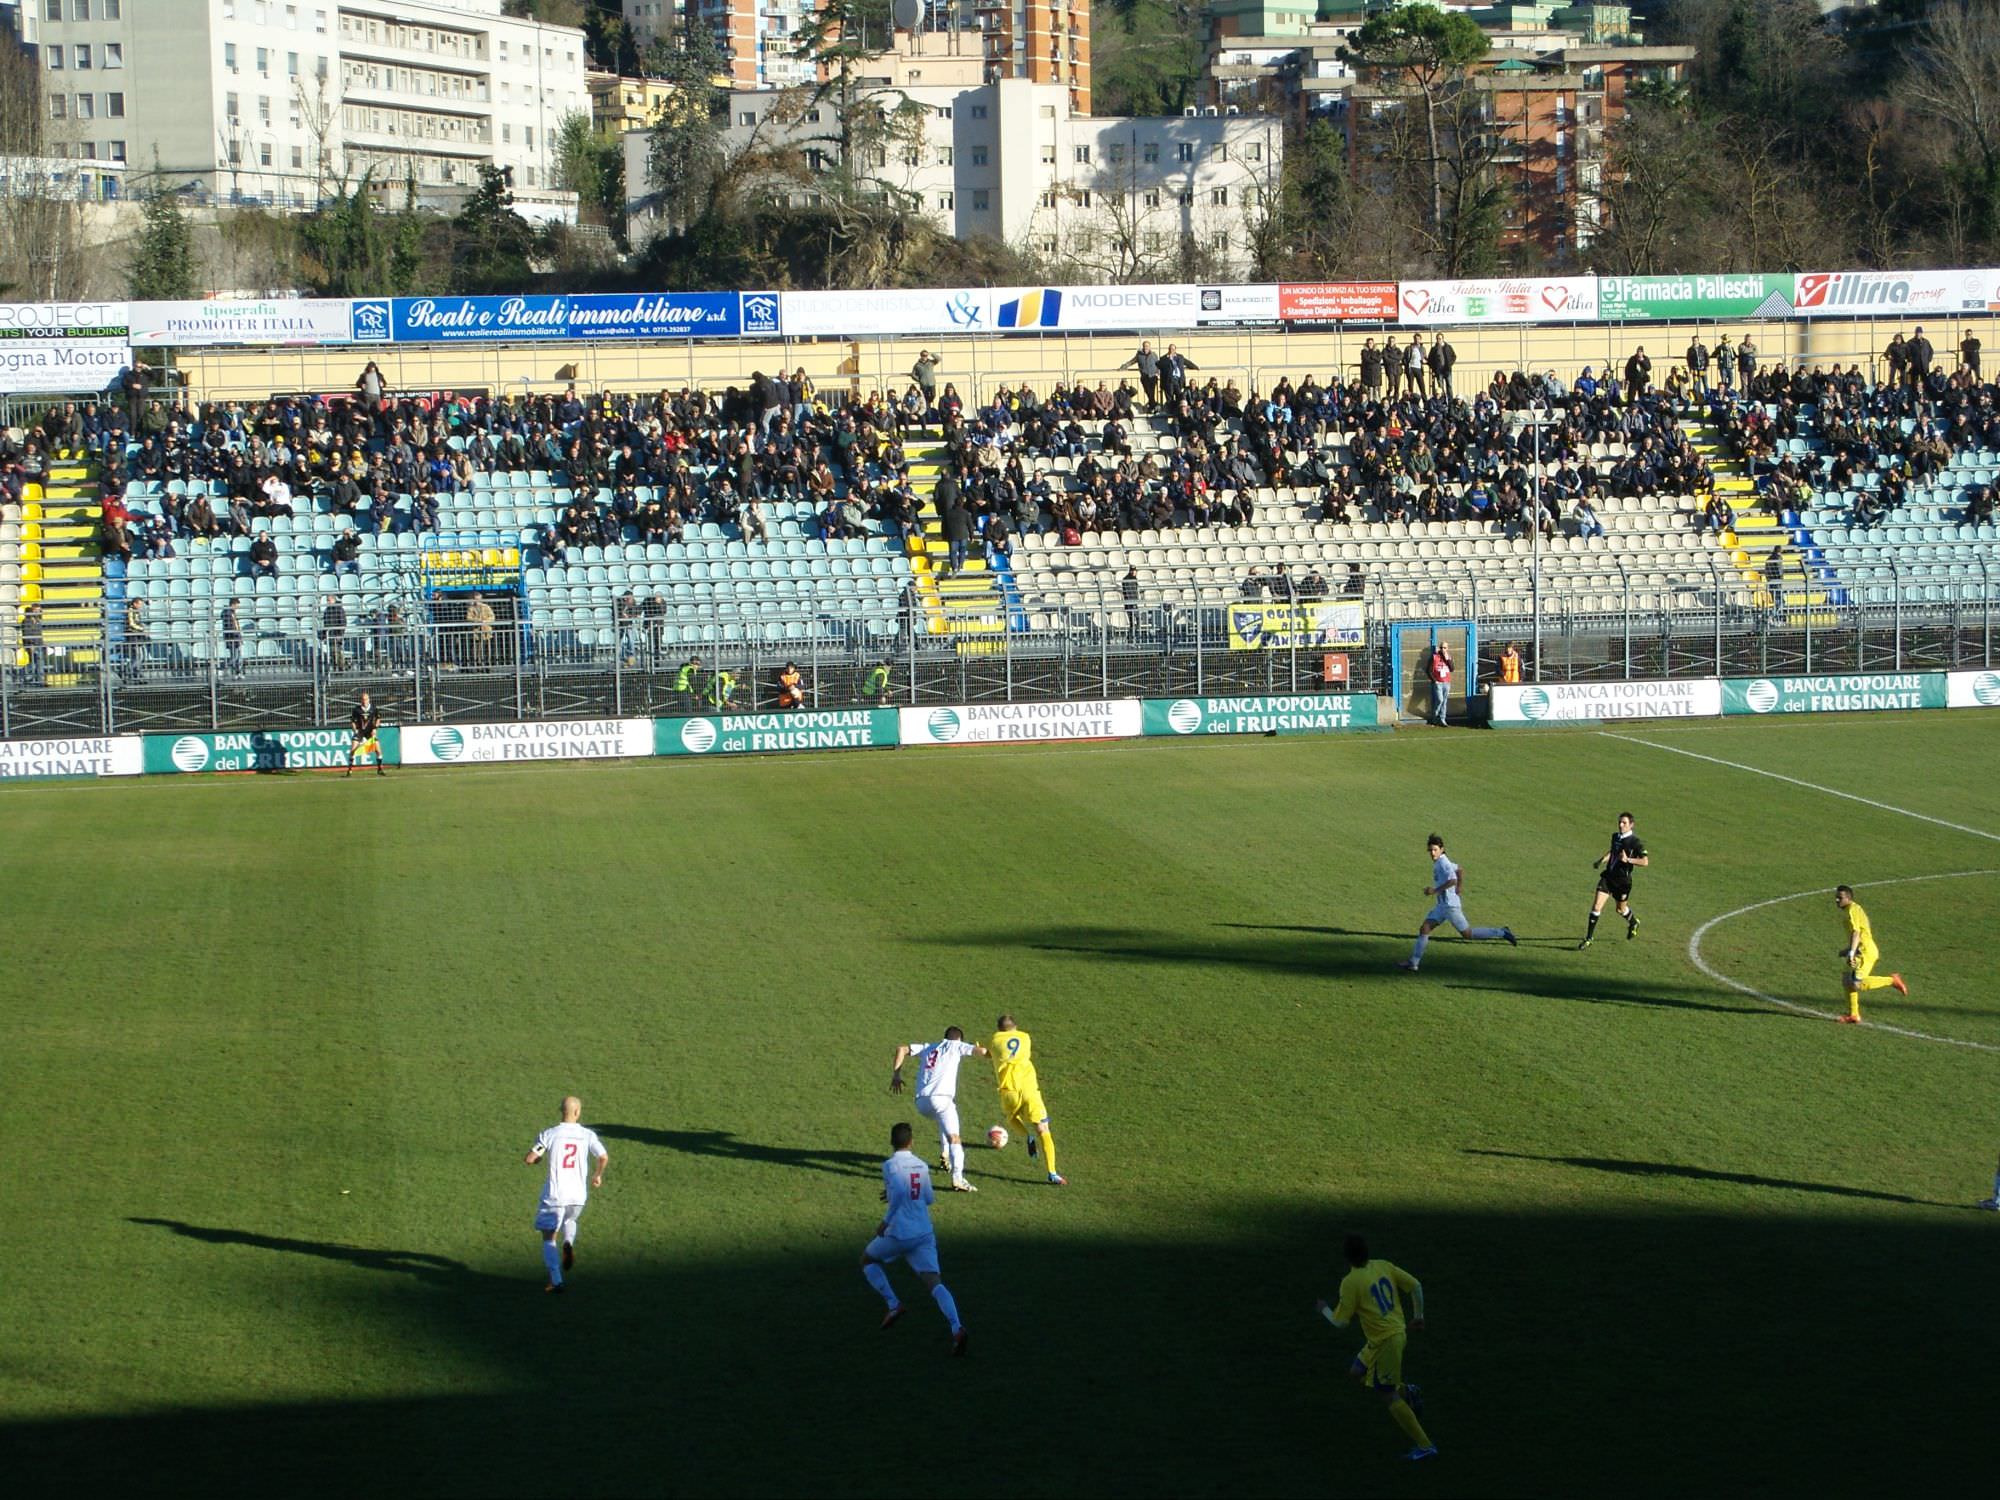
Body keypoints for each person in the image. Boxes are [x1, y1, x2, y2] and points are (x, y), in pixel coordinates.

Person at [1315, 1234, 1437, 1462]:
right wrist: (1418, 1316)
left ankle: (1425, 1445)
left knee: (1385, 1393)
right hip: (1382, 1339)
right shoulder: (1383, 1265)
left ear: (1347, 1258)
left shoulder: (1350, 1282)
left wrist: (1323, 1309)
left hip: (1387, 1341)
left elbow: (1340, 1322)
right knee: (1356, 1372)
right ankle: (1407, 1391)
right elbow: (1415, 1285)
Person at [859, 1121, 968, 1355]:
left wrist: (885, 1221)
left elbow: (898, 1194)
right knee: (935, 1283)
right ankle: (956, 1328)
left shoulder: (889, 1166)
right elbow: (928, 1198)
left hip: (899, 1232)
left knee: (867, 1260)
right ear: (911, 1142)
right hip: (923, 1233)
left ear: (892, 1142)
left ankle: (893, 1304)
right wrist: (897, 1193)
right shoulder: (921, 1165)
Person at [523, 1095, 608, 1294]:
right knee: (570, 1220)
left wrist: (535, 1160)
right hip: (578, 1195)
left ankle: (556, 1280)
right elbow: (603, 1156)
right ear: (577, 1112)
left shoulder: (549, 1134)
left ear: (561, 1111)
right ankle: (568, 1242)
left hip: (555, 1195)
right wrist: (597, 1175)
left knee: (549, 1237)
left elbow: (530, 1158)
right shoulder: (588, 1135)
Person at [1397, 834, 1516, 972]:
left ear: (1442, 849)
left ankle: (1502, 932)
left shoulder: (1443, 863)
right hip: (1442, 906)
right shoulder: (1441, 861)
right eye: (1430, 850)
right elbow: (1459, 869)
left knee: (1468, 934)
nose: (1432, 853)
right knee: (1425, 928)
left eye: (1435, 850)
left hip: (1450, 906)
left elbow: (1452, 879)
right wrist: (1460, 886)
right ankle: (1413, 962)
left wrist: (1435, 890)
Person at [892, 1027, 989, 1192]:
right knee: (955, 1138)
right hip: (941, 1099)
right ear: (958, 1039)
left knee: (943, 1120)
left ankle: (945, 1154)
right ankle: (958, 1178)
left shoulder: (928, 1047)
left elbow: (901, 1049)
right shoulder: (956, 1046)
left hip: (921, 1102)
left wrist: (896, 1075)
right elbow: (983, 1052)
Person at [989, 1013, 1065, 1186]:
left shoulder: (994, 1040)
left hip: (1009, 1091)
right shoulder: (1025, 1037)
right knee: (1043, 1129)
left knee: (1011, 1118)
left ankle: (1026, 1135)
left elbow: (987, 1052)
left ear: (999, 1028)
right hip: (1029, 1090)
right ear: (1015, 1027)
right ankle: (1052, 1173)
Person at [1834, 884, 1907, 1024]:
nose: (1837, 900)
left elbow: (1857, 932)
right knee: (1846, 979)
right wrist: (1849, 949)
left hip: (1864, 952)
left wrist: (1851, 952)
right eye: (1836, 897)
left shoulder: (1852, 911)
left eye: (1840, 897)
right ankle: (1853, 1014)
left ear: (1848, 898)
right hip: (1859, 950)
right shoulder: (1853, 909)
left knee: (1855, 984)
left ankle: (1892, 981)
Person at [1579, 811, 1647, 948]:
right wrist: (1601, 860)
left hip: (1623, 882)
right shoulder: (1615, 837)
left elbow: (1645, 861)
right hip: (1608, 877)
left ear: (1631, 825)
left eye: (1624, 823)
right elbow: (1612, 852)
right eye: (1620, 822)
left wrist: (1628, 860)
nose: (1621, 825)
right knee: (1596, 906)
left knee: (1620, 910)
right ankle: (1589, 938)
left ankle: (1633, 922)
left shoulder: (1635, 842)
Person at [346, 690, 386, 778]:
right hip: (360, 731)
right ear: (361, 700)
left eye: (366, 699)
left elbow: (378, 719)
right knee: (353, 750)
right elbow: (352, 722)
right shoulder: (356, 709)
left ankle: (379, 769)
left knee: (378, 750)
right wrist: (355, 730)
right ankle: (349, 770)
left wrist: (375, 728)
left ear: (369, 699)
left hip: (370, 731)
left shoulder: (374, 708)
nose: (365, 701)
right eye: (363, 700)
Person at [1119, 340, 1160, 408]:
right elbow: (1132, 361)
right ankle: (1153, 405)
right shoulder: (1139, 355)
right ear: (1142, 347)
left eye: (1147, 346)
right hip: (1144, 377)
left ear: (1150, 347)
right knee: (1148, 391)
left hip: (1153, 377)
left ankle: (1152, 405)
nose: (1146, 347)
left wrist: (1158, 372)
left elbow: (1158, 364)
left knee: (1151, 392)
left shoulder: (1154, 355)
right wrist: (1124, 366)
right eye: (1144, 346)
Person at [1425, 642, 1452, 727]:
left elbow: (1452, 669)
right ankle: (1435, 717)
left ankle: (1442, 719)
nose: (1443, 649)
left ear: (1447, 648)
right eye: (1441, 647)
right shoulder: (1434, 657)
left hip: (1446, 682)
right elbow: (1428, 670)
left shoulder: (1448, 657)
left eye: (1444, 648)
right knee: (1439, 700)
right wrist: (1435, 681)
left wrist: (1448, 659)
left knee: (1444, 701)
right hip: (1438, 683)